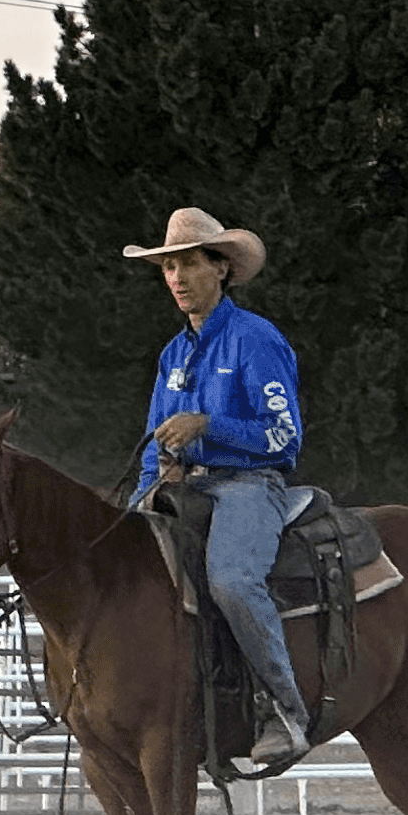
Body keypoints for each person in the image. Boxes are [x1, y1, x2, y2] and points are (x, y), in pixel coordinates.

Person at [123, 206, 312, 767]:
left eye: (187, 265)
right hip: (183, 490)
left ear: (221, 269)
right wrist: (136, 505)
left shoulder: (256, 340)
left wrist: (209, 424)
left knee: (231, 579)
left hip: (251, 485)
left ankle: (286, 712)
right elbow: (155, 445)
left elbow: (284, 437)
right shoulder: (173, 354)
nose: (176, 279)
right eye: (167, 269)